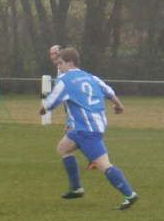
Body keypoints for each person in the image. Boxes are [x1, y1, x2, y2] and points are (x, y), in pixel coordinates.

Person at [40, 47, 139, 210]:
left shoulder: (64, 80)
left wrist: (42, 109)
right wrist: (118, 105)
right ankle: (76, 188)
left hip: (87, 131)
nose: (58, 66)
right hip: (86, 128)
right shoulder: (90, 77)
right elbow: (108, 91)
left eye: (60, 63)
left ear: (70, 63)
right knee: (63, 148)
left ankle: (130, 194)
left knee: (104, 165)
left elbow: (50, 103)